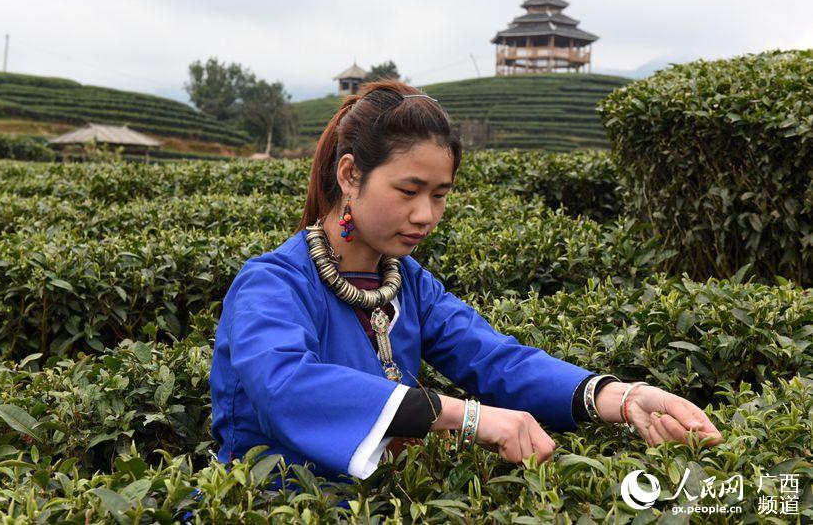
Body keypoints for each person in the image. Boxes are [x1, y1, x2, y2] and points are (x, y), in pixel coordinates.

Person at [209, 79, 723, 490]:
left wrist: (621, 397)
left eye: (439, 195)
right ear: (349, 175)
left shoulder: (407, 282)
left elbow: (497, 359)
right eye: (409, 190)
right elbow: (285, 385)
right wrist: (467, 417)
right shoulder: (273, 283)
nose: (425, 215)